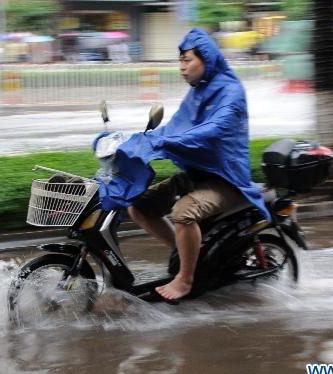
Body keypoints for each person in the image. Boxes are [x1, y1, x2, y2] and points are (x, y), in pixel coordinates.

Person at [97, 28, 270, 301]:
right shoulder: (197, 94)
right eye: (179, 61)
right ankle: (187, 254)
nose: (181, 67)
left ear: (207, 59)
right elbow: (173, 128)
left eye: (187, 60)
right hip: (197, 175)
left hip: (226, 179)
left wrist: (165, 144)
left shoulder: (231, 92)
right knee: (139, 206)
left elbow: (213, 129)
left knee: (183, 213)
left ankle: (186, 278)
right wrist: (134, 141)